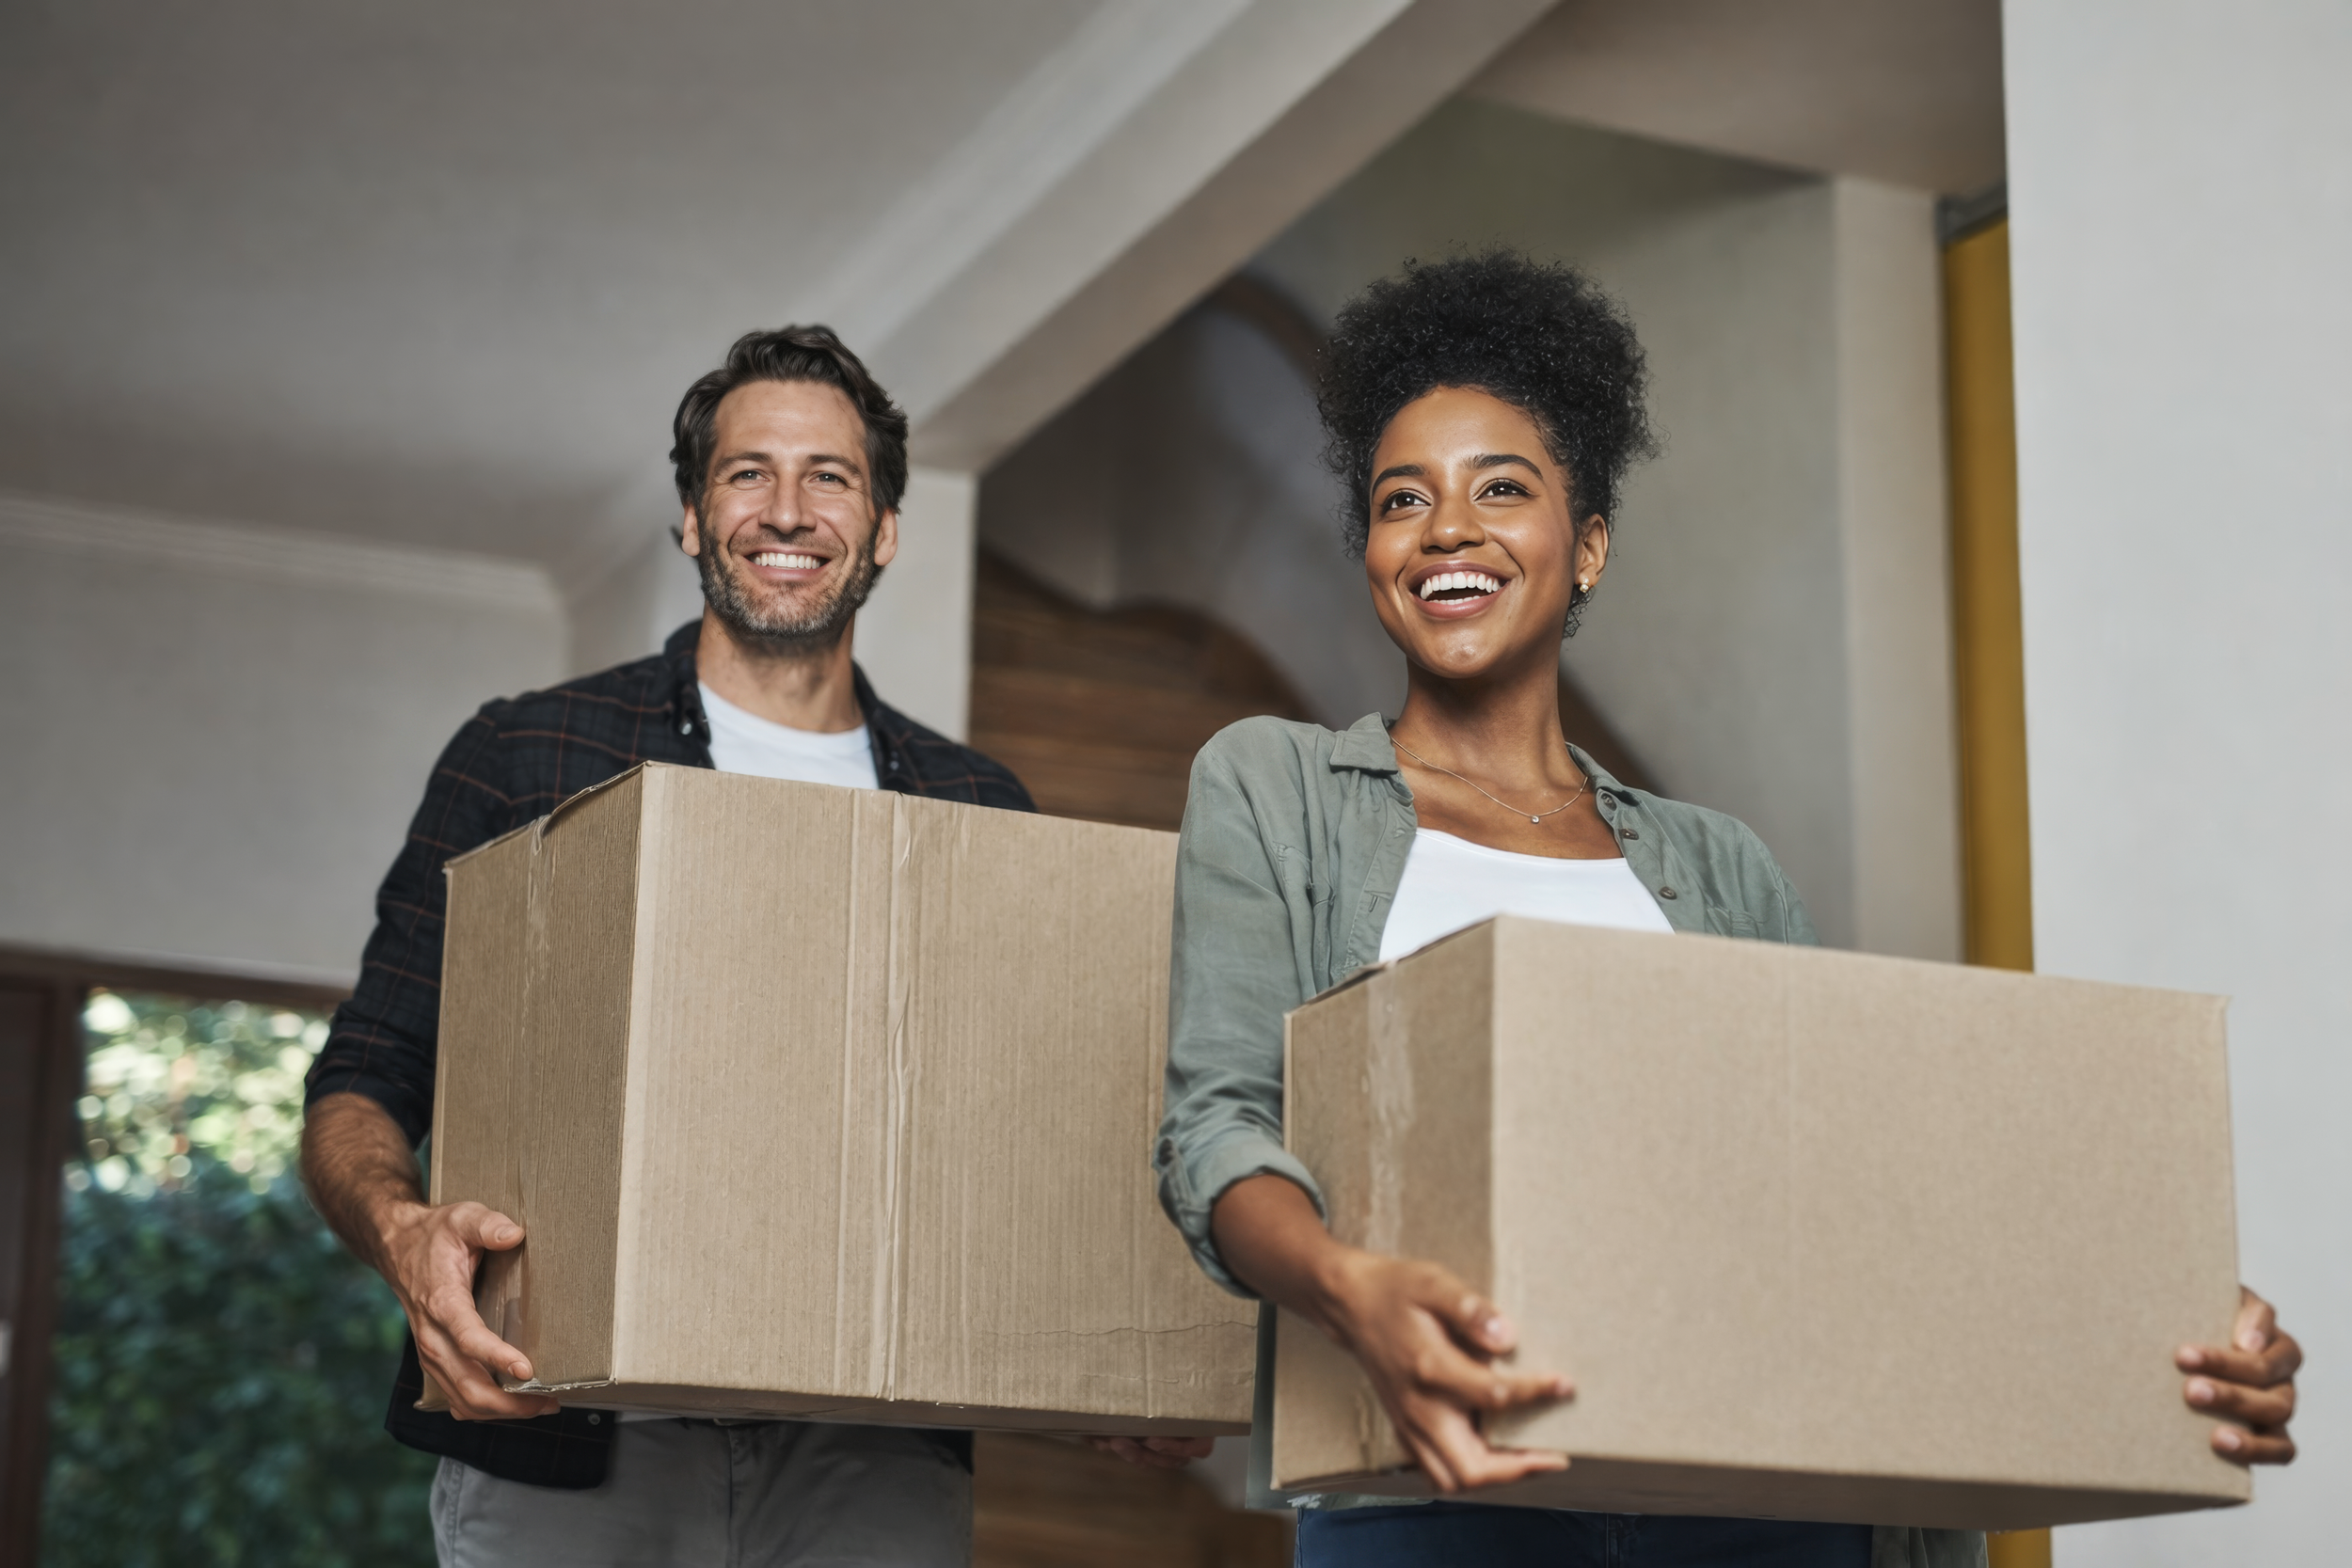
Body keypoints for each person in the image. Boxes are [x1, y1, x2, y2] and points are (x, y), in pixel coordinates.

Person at [1151, 251, 2302, 1566]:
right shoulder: (1277, 787)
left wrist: (2153, 1319)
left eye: (1502, 489)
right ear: (1371, 548)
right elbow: (1216, 1129)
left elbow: (1852, 1194)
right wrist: (1351, 1289)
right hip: (1432, 1491)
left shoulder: (1721, 864)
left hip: (1751, 1509)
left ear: (1586, 547)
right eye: (1401, 498)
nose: (1447, 528)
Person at [301, 325, 1033, 1567]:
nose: (786, 508)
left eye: (831, 476)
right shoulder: (527, 756)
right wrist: (405, 1234)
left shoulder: (975, 809)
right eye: (748, 472)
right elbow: (364, 1076)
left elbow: (1024, 1132)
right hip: (573, 1425)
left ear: (888, 527)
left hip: (873, 1445)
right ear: (693, 517)